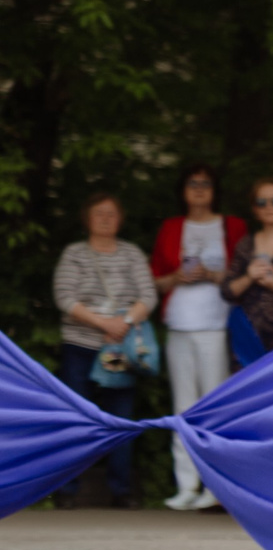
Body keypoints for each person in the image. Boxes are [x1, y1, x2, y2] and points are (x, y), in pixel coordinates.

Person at [52, 193, 158, 507]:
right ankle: (67, 490)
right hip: (80, 346)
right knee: (75, 418)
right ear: (87, 218)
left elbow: (148, 296)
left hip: (119, 349)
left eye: (111, 213)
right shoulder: (74, 253)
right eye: (99, 213)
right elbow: (64, 297)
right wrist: (103, 323)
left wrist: (122, 323)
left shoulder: (132, 254)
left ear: (120, 219)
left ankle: (121, 490)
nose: (105, 219)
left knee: (119, 418)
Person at [151, 165, 245, 509]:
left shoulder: (232, 226)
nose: (200, 188)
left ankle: (215, 487)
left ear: (215, 190)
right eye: (193, 183)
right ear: (183, 190)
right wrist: (177, 277)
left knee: (214, 407)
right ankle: (186, 485)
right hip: (179, 322)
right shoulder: (171, 227)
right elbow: (155, 281)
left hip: (216, 324)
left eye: (206, 183)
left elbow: (242, 275)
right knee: (183, 406)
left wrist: (210, 274)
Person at [223, 179, 273, 365]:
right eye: (261, 202)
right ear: (255, 209)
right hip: (246, 337)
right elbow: (227, 291)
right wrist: (249, 277)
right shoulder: (245, 244)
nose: (269, 207)